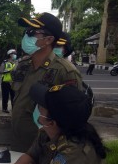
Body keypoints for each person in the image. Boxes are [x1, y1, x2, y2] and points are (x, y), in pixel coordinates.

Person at [0, 83, 118, 164]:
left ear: (51, 122)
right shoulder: (48, 133)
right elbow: (32, 155)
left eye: (41, 106)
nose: (36, 107)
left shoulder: (75, 151)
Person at [10, 12, 83, 152]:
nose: (26, 36)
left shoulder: (65, 71)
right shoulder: (23, 65)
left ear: (48, 39)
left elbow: (75, 114)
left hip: (45, 148)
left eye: (32, 32)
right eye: (26, 31)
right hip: (18, 141)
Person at [0, 49, 17, 113]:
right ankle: (4, 108)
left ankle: (14, 109)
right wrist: (7, 71)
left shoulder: (16, 62)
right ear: (10, 55)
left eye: (15, 53)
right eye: (14, 53)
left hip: (14, 82)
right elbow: (1, 71)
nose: (15, 55)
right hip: (5, 82)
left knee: (14, 97)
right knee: (5, 96)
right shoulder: (5, 62)